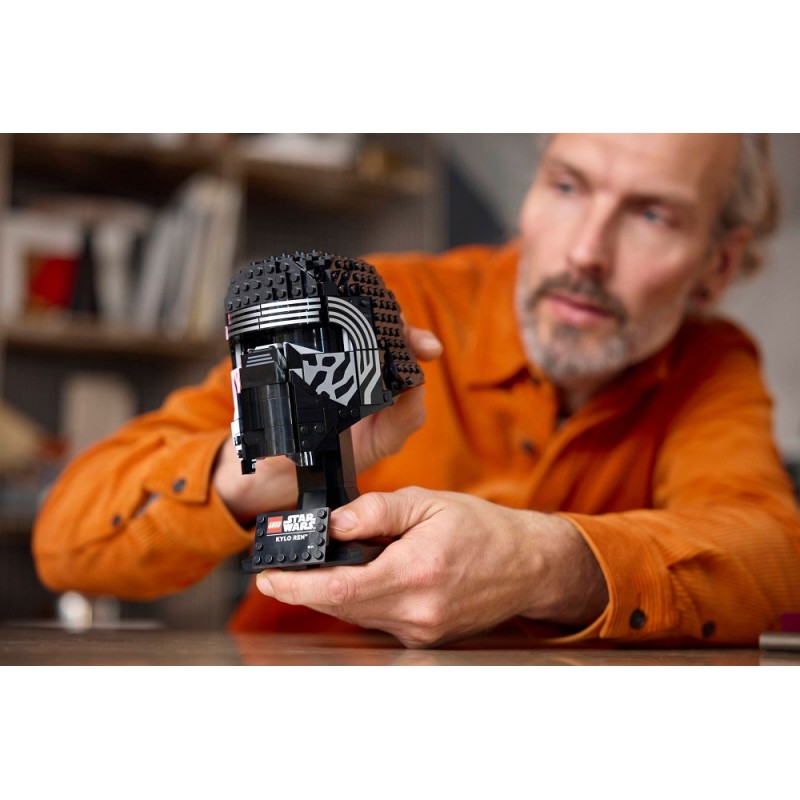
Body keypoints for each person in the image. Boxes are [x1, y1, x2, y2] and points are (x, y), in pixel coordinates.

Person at [32, 133, 800, 648]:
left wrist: (549, 561)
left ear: (718, 265)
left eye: (654, 214)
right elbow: (68, 539)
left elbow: (772, 553)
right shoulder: (371, 304)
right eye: (568, 186)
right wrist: (261, 463)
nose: (585, 252)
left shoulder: (711, 365)